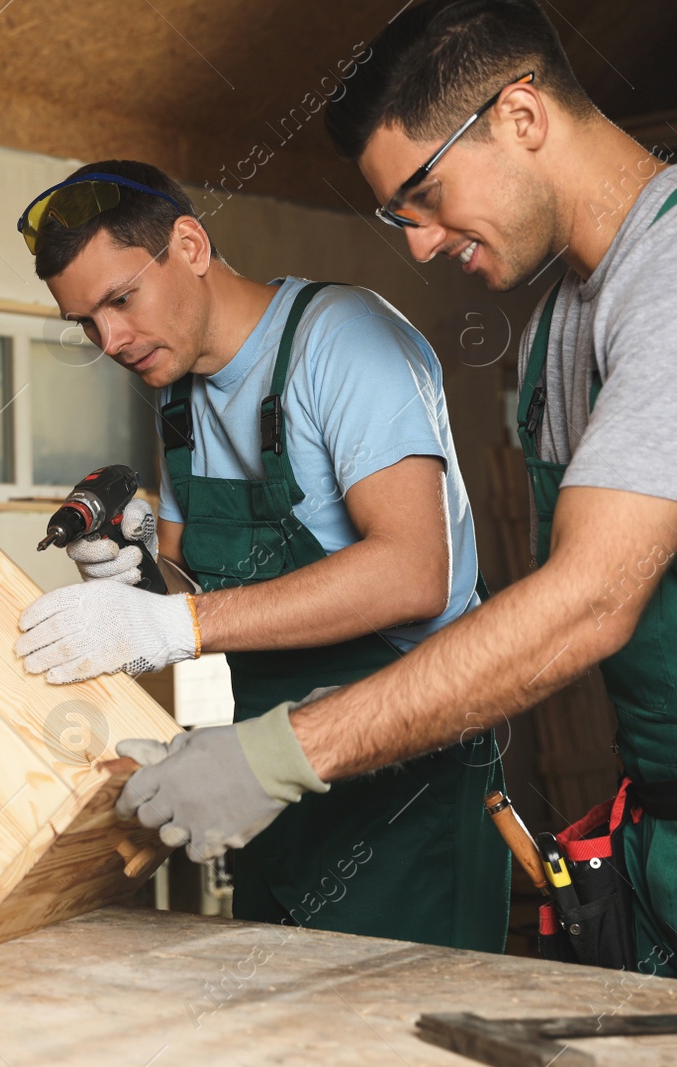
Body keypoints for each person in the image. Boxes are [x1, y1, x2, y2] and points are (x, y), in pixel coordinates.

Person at [113, 0, 677, 975]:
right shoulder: (555, 327)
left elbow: (589, 599)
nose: (416, 244)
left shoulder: (664, 286)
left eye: (426, 192)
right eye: (395, 215)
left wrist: (279, 753)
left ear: (522, 117)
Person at [12, 158, 508, 949]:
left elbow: (417, 571)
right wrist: (137, 575)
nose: (109, 340)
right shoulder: (177, 394)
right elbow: (189, 588)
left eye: (120, 300)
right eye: (85, 323)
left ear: (190, 245)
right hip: (258, 782)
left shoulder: (343, 341)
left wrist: (173, 623)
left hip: (403, 789)